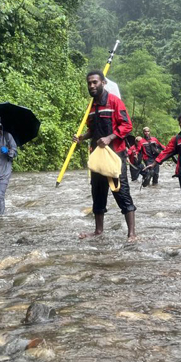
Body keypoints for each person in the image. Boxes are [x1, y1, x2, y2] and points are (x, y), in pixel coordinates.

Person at [72, 71, 137, 240]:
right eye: (89, 83)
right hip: (97, 156)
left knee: (121, 191)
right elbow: (91, 131)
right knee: (97, 192)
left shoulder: (115, 102)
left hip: (115, 155)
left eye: (95, 82)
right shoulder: (91, 107)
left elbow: (127, 125)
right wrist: (81, 138)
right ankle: (98, 231)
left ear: (103, 82)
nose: (92, 86)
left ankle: (132, 234)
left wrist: (110, 137)